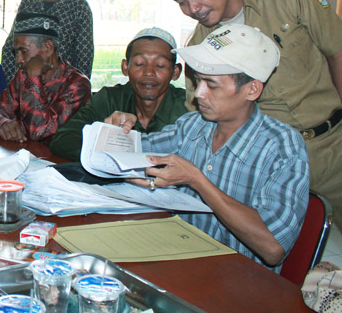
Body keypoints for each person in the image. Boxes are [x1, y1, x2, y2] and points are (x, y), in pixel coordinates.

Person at [160, 0, 342, 217]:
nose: (192, 9)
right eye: (181, 2)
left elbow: (336, 52)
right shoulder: (200, 45)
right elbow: (201, 117)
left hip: (331, 146)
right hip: (267, 164)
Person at [107, 24, 309, 270]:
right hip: (181, 262)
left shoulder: (282, 146)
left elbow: (273, 248)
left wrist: (197, 180)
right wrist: (117, 131)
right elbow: (133, 153)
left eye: (211, 85)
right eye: (198, 81)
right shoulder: (193, 125)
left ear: (252, 89)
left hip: (239, 283)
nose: (199, 94)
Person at [50, 27, 186, 161]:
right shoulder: (109, 99)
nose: (149, 72)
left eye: (160, 65)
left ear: (175, 72)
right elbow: (63, 139)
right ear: (125, 67)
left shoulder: (188, 107)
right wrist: (107, 148)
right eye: (139, 64)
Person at [0, 12, 91, 144]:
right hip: (26, 156)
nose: (19, 60)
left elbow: (38, 131)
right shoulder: (23, 75)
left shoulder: (77, 85)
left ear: (48, 47)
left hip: (60, 161)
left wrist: (34, 78)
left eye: (24, 51)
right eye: (16, 53)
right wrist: (3, 124)